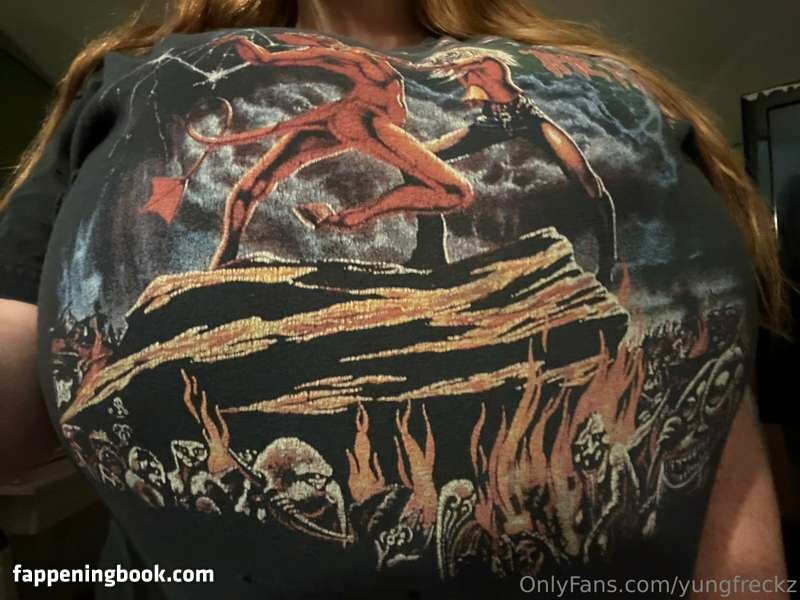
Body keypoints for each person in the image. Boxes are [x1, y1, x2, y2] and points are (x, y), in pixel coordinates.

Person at [0, 0, 791, 597]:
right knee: (267, 188)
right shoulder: (137, 75)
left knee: (441, 194)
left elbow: (734, 536)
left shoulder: (620, 94)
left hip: (510, 316)